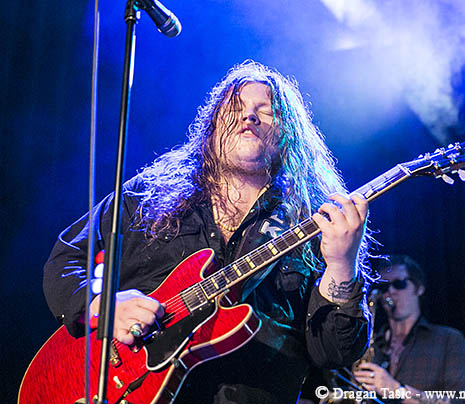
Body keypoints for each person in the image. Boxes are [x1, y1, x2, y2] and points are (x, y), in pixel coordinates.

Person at [43, 60, 372, 404]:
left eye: (266, 111)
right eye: (235, 108)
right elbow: (66, 260)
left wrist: (342, 266)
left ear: (287, 136)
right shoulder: (149, 195)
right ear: (212, 126)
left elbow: (334, 351)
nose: (249, 117)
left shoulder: (314, 225)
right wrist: (103, 305)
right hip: (117, 388)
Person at [353, 255, 465, 404]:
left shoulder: (449, 339)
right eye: (384, 287)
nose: (390, 291)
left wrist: (397, 390)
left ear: (419, 288)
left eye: (399, 284)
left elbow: (461, 400)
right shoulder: (371, 345)